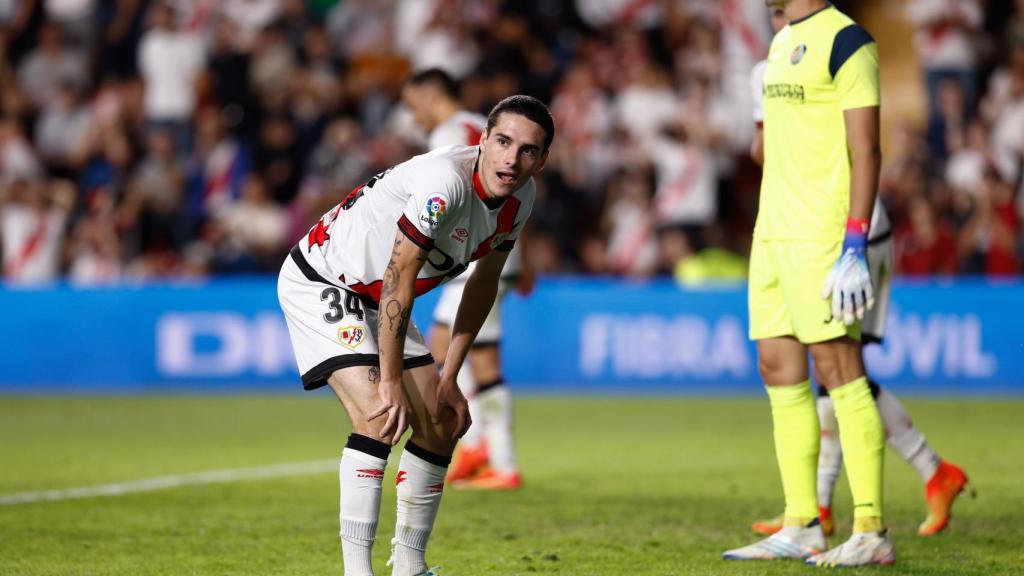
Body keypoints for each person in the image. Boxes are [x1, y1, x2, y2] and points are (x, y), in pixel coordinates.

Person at [278, 95, 554, 576]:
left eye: (527, 150)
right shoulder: (443, 183)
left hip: (379, 297)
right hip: (325, 278)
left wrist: (450, 376)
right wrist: (388, 379)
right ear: (483, 141)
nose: (512, 158)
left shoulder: (519, 201)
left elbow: (482, 284)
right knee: (380, 415)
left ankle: (410, 566)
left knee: (444, 422)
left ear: (541, 160)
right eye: (504, 142)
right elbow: (398, 275)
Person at [746, 8, 971, 541]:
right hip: (804, 227)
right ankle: (824, 506)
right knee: (823, 374)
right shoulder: (776, 55)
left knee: (838, 371)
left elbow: (854, 148)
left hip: (853, 229)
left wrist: (850, 242)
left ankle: (869, 509)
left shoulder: (832, 43)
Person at [722, 0, 894, 566]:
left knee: (840, 370)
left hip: (821, 234)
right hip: (772, 232)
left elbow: (866, 148)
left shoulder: (849, 41)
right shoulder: (780, 41)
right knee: (777, 366)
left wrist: (854, 243)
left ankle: (871, 528)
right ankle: (803, 523)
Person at [402, 69, 534, 490]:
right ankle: (482, 450)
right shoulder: (484, 124)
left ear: (431, 93)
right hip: (495, 251)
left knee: (477, 358)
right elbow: (514, 191)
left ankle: (496, 458)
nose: (411, 115)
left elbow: (456, 202)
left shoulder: (449, 135)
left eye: (412, 103)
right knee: (450, 346)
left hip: (476, 258)